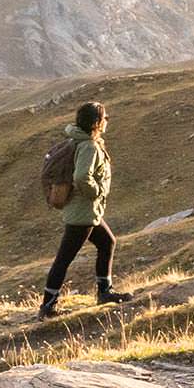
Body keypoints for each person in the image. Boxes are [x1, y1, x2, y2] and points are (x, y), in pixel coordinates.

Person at [40, 100, 132, 317]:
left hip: (86, 211)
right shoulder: (89, 146)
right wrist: (97, 191)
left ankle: (104, 292)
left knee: (107, 242)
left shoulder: (81, 141)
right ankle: (47, 307)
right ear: (96, 122)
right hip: (83, 212)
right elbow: (82, 176)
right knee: (64, 259)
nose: (107, 120)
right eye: (105, 117)